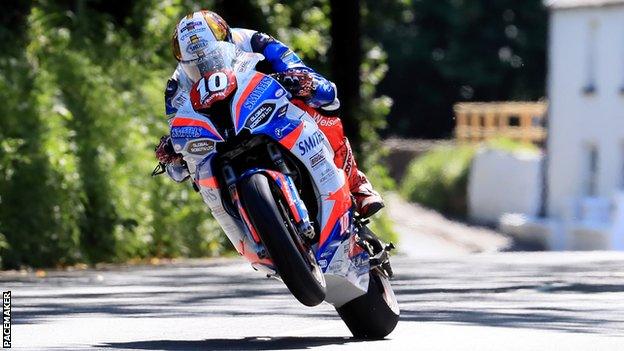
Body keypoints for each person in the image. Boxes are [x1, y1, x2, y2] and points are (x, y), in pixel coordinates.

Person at [156, 10, 384, 218]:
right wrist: (173, 151)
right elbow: (179, 145)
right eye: (197, 66)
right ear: (184, 64)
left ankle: (356, 185)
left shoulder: (253, 40)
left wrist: (304, 82)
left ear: (226, 41)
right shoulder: (176, 86)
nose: (207, 68)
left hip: (271, 110)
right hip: (221, 135)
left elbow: (302, 72)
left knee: (318, 111)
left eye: (213, 57)